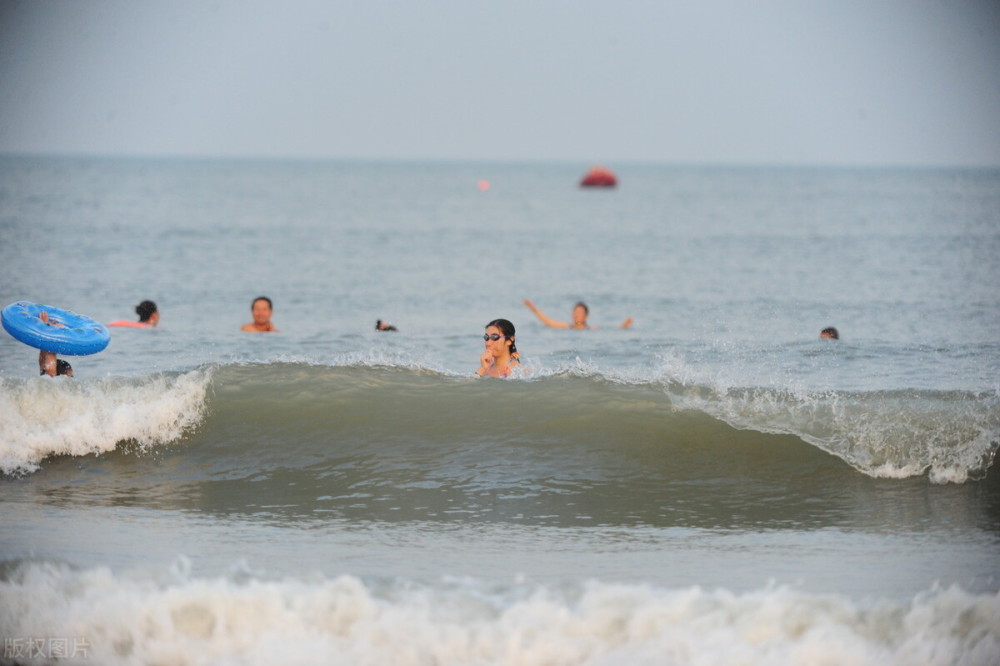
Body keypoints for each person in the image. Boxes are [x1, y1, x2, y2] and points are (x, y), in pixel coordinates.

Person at [523, 299, 633, 329]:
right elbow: (548, 322)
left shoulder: (591, 329)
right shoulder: (568, 327)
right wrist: (533, 308)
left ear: (586, 316)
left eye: (580, 312)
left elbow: (610, 329)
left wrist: (623, 326)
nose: (577, 315)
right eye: (575, 312)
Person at [36, 311, 73, 377]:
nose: (72, 379)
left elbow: (43, 364)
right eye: (71, 376)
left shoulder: (45, 383)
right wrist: (49, 330)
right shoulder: (54, 383)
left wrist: (46, 327)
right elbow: (50, 371)